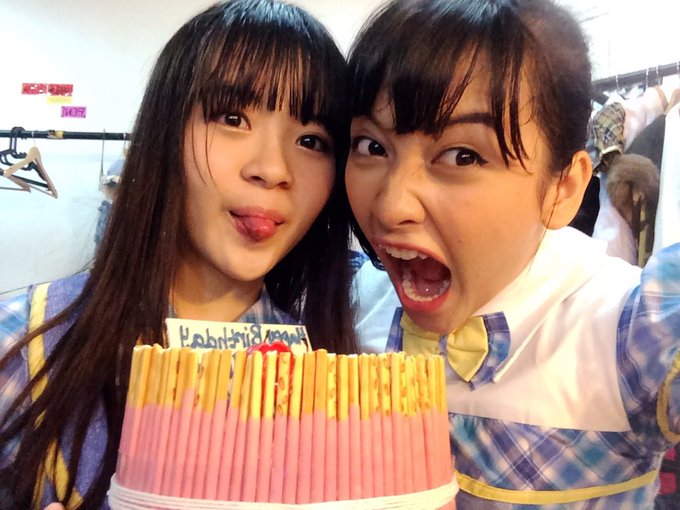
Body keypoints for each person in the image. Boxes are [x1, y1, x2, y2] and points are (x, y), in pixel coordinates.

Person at [0, 0, 357, 507]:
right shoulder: (19, 345)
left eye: (311, 140)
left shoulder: (347, 386)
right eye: (233, 118)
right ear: (164, 132)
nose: (274, 169)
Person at [345, 0, 680, 507]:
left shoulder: (628, 331)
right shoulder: (346, 304)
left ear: (563, 188)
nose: (391, 207)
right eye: (371, 147)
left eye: (462, 155)